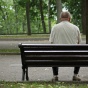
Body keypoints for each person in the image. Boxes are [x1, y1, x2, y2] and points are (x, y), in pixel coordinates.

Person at [49, 11, 81, 81]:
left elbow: (51, 42)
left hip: (58, 57)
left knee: (53, 53)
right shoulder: (76, 28)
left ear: (60, 19)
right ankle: (75, 75)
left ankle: (55, 75)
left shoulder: (54, 28)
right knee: (79, 53)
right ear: (69, 18)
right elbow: (79, 43)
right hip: (73, 57)